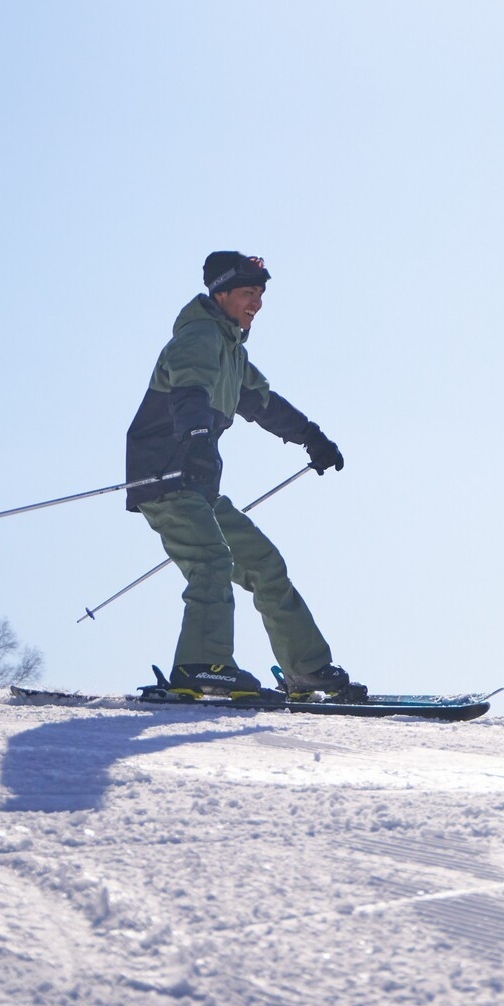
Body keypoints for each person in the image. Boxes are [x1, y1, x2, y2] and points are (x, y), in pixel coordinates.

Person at [122, 250, 358, 700]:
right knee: (211, 561)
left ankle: (306, 669)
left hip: (198, 484)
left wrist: (312, 437)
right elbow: (188, 389)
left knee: (265, 565)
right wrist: (194, 436)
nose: (257, 303)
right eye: (248, 293)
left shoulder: (231, 352)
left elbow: (263, 404)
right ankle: (200, 667)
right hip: (165, 478)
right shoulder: (197, 337)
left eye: (262, 293)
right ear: (222, 293)